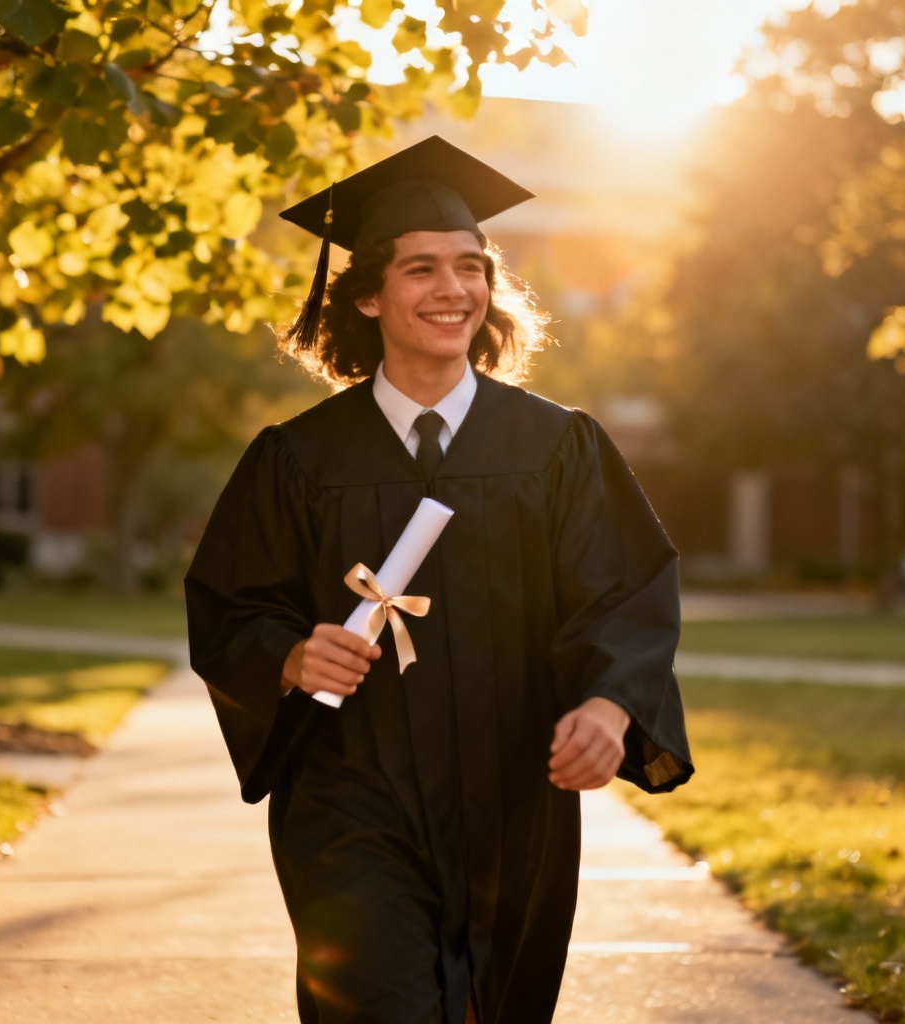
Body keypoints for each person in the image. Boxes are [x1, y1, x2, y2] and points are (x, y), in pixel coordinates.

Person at [185, 136, 693, 1024]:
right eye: (421, 269)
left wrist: (610, 706)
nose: (453, 290)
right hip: (352, 795)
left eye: (470, 266)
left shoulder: (556, 447)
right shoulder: (299, 459)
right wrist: (292, 656)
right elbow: (232, 604)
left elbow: (626, 590)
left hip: (514, 798)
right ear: (370, 294)